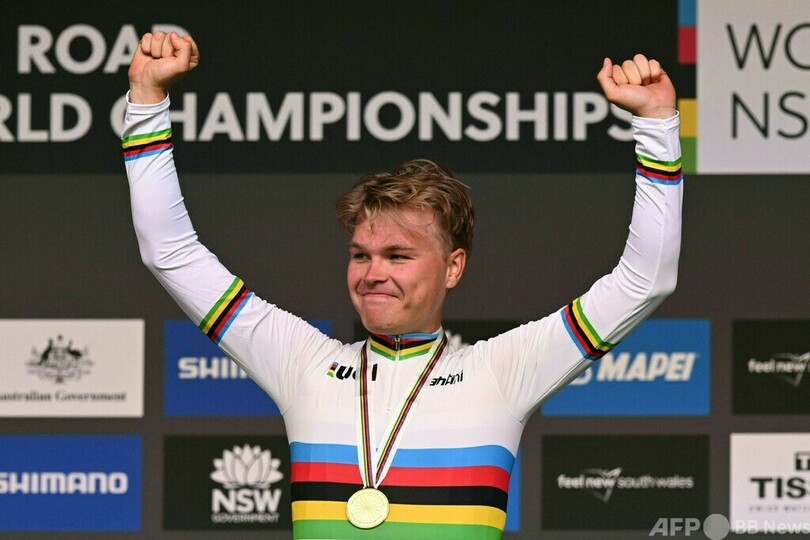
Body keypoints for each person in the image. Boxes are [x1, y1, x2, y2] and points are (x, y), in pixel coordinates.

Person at [123, 31, 682, 539]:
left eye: (398, 255)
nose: (373, 273)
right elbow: (171, 254)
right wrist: (146, 99)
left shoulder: (500, 372)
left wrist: (657, 125)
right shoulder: (303, 364)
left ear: (453, 268)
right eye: (360, 255)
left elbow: (644, 281)